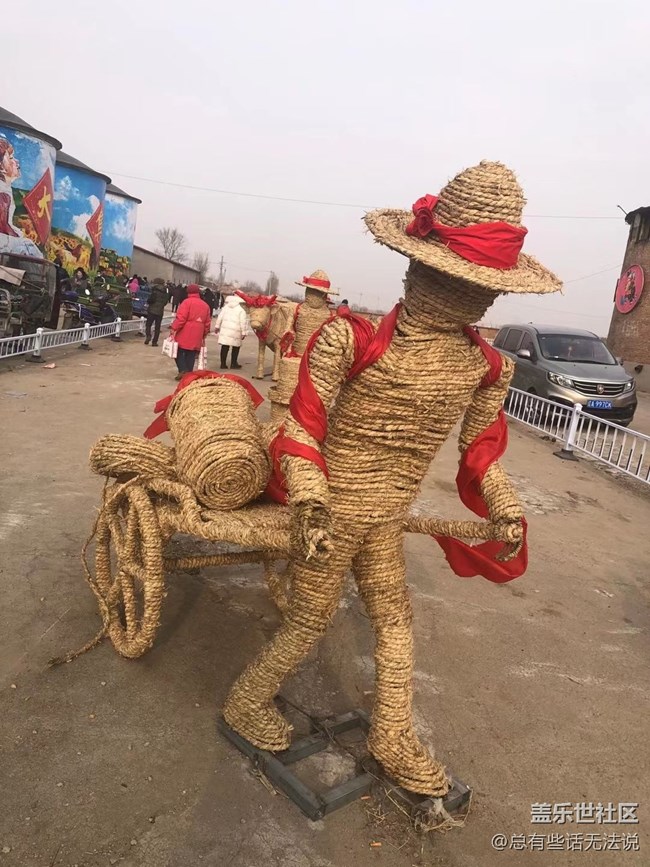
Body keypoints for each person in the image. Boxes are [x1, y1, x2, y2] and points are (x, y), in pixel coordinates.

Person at [169, 283, 210, 380]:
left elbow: (181, 318)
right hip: (198, 332)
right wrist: (204, 333)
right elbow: (207, 322)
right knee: (191, 353)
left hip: (185, 331)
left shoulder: (186, 302)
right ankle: (188, 376)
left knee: (178, 351)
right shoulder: (205, 305)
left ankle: (183, 370)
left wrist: (174, 327)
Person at [215, 293, 248, 369]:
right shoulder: (241, 310)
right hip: (236, 331)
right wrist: (243, 332)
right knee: (236, 347)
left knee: (225, 346)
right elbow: (242, 322)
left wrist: (217, 326)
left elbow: (220, 317)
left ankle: (223, 364)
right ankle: (233, 363)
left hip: (225, 330)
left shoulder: (225, 307)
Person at [145, 277, 168, 346]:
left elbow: (150, 300)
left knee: (148, 325)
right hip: (160, 311)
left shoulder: (154, 290)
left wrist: (149, 303)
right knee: (157, 327)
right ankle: (154, 342)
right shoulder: (165, 291)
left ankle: (148, 336)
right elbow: (165, 302)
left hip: (151, 310)